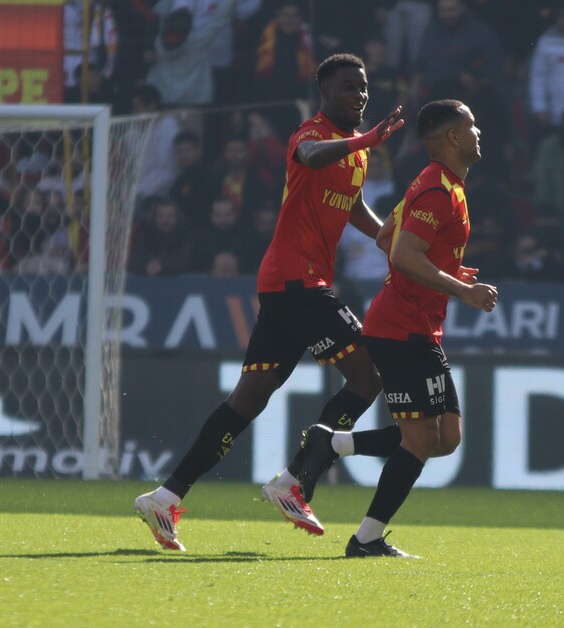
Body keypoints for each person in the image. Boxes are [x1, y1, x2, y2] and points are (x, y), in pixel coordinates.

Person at [133, 53, 405, 551]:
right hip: (299, 283)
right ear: (324, 91)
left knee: (248, 398)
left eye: (363, 86)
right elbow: (313, 157)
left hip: (288, 287)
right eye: (348, 86)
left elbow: (352, 206)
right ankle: (295, 480)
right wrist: (365, 139)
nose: (359, 94)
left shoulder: (356, 153)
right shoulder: (311, 134)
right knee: (368, 375)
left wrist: (391, 239)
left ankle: (165, 496)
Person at [296, 100, 498, 558]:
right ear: (452, 137)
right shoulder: (438, 191)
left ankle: (331, 442)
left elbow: (387, 237)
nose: (478, 132)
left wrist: (446, 270)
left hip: (417, 325)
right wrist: (462, 291)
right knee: (422, 439)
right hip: (401, 326)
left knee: (446, 438)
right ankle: (366, 539)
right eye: (471, 125)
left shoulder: (437, 183)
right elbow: (403, 253)